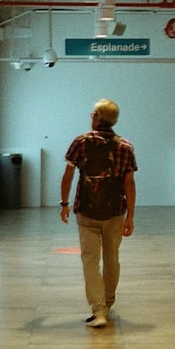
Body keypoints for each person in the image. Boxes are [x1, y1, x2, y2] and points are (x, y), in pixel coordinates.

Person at [59, 99, 137, 328]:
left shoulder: (80, 142)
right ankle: (109, 302)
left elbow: (67, 175)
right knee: (112, 258)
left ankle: (98, 309)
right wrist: (130, 216)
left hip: (87, 211)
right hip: (115, 213)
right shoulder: (125, 146)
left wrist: (64, 203)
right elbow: (129, 184)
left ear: (95, 116)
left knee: (90, 260)